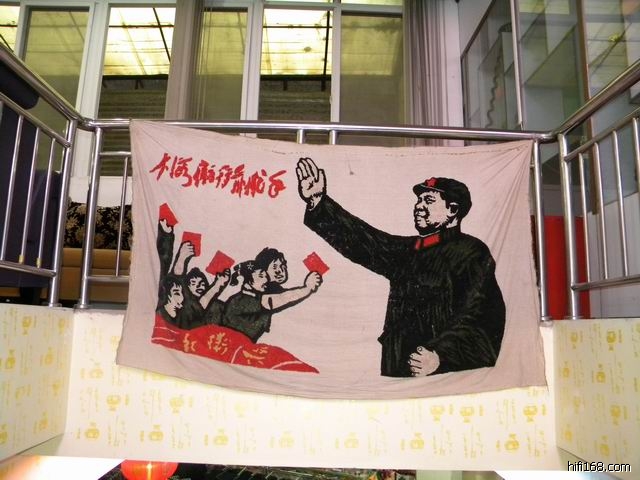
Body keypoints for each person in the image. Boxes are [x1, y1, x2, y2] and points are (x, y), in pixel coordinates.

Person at [296, 156, 506, 378]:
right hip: (397, 370)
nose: (419, 206)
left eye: (428, 200)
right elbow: (366, 242)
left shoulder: (471, 252)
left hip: (441, 374)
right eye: (419, 200)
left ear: (452, 210)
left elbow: (480, 316)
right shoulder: (410, 251)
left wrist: (441, 356)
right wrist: (319, 202)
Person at [222, 258, 322, 343]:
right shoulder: (243, 300)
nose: (266, 280)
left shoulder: (253, 297)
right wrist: (307, 288)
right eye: (261, 276)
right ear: (248, 281)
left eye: (266, 276)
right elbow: (284, 298)